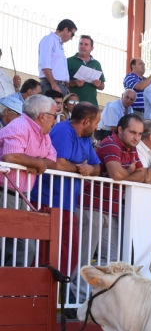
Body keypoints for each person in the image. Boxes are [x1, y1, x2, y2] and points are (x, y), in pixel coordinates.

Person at [69, 113, 145, 304]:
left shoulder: (132, 149)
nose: (136, 137)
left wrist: (123, 174)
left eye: (140, 134)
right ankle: (74, 297)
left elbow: (143, 175)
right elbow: (116, 174)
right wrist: (129, 171)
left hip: (110, 209)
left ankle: (95, 299)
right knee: (84, 256)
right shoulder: (110, 143)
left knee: (109, 259)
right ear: (120, 130)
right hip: (91, 206)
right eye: (133, 132)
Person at [30, 102, 100, 278]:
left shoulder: (85, 137)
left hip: (66, 204)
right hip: (47, 200)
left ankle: (52, 293)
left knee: (70, 252)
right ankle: (34, 294)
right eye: (96, 122)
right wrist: (79, 169)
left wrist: (90, 170)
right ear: (86, 122)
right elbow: (59, 164)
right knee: (44, 253)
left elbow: (97, 166)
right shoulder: (63, 130)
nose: (98, 126)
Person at [0, 95, 57, 267]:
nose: (55, 120)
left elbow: (52, 161)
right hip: (5, 192)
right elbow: (11, 156)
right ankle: (9, 289)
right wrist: (37, 162)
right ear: (43, 116)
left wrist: (34, 163)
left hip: (18, 195)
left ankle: (8, 290)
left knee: (19, 247)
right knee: (23, 247)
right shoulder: (20, 125)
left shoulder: (43, 133)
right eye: (54, 116)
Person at [38, 19, 76, 95]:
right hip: (51, 84)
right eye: (72, 34)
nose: (71, 38)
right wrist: (53, 84)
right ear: (66, 30)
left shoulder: (58, 43)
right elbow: (45, 64)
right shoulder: (49, 39)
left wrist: (65, 86)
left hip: (59, 85)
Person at [66, 35, 104, 106]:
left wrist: (98, 84)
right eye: (81, 44)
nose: (83, 46)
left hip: (91, 105)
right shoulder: (68, 61)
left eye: (86, 44)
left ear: (92, 48)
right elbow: (62, 83)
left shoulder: (97, 64)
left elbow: (102, 86)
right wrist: (75, 83)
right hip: (73, 105)